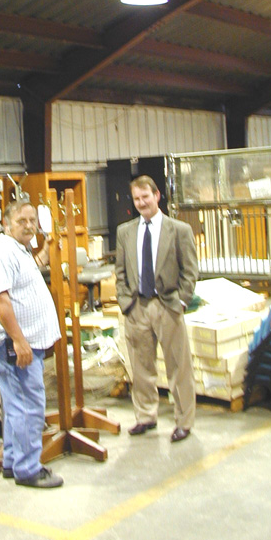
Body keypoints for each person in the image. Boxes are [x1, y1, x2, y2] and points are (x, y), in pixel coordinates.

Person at [0, 199, 63, 488]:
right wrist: (19, 340)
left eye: (32, 221)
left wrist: (46, 249)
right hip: (14, 345)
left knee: (17, 405)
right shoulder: (1, 252)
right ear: (6, 224)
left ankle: (14, 461)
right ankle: (28, 469)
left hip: (22, 342)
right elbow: (0, 300)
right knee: (30, 404)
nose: (29, 226)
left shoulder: (19, 249)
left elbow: (29, 272)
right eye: (21, 221)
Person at [115, 175, 198, 443]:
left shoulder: (179, 230)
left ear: (157, 196)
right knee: (140, 367)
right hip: (137, 307)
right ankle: (145, 417)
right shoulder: (124, 232)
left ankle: (184, 421)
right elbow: (120, 272)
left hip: (168, 306)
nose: (141, 203)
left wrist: (181, 301)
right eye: (137, 199)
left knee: (178, 367)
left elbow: (190, 271)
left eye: (145, 197)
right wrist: (125, 302)